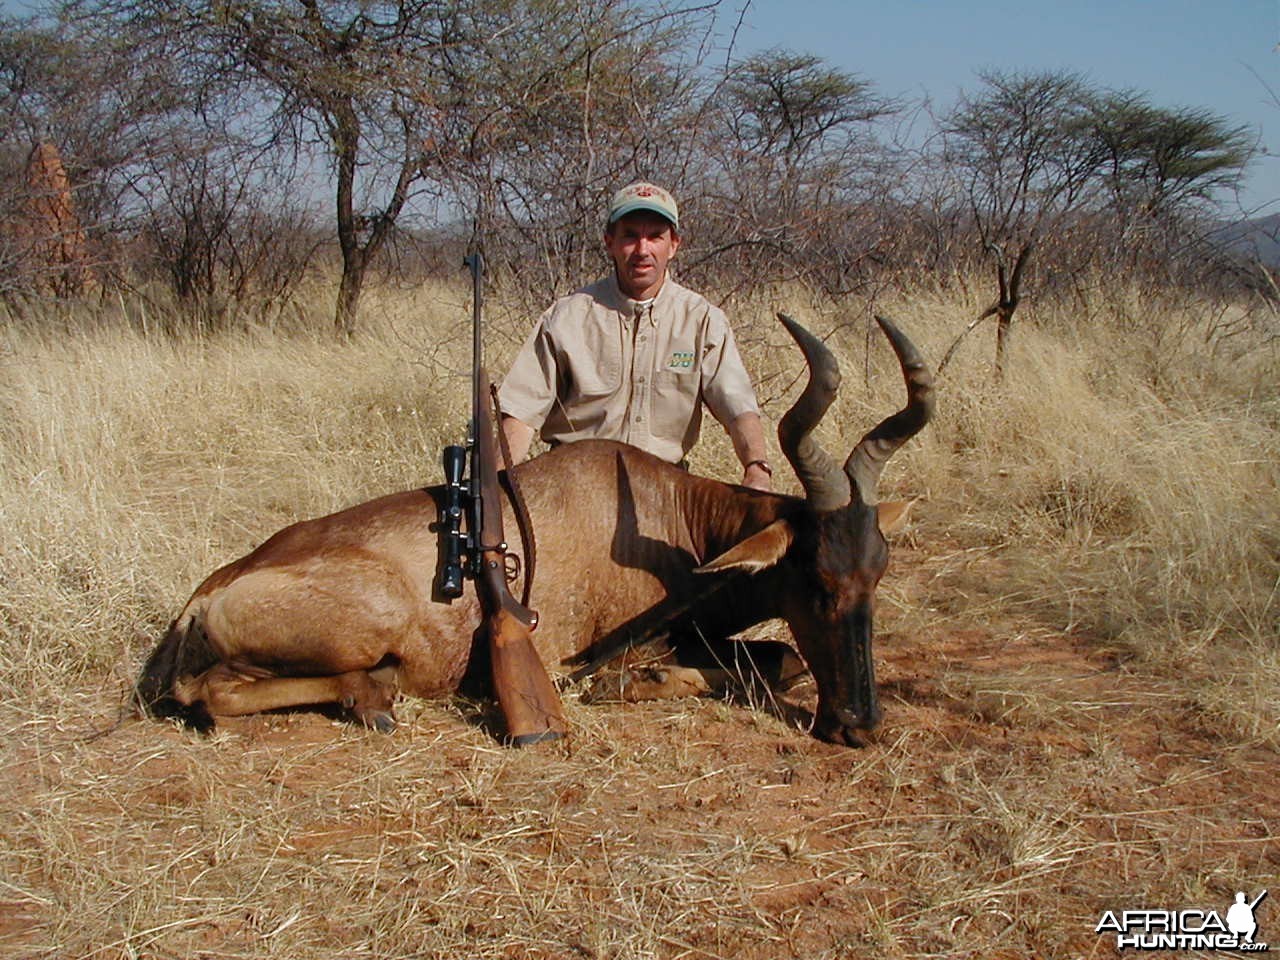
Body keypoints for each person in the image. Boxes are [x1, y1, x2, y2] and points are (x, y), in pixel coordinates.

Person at [497, 181, 773, 491]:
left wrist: (757, 469)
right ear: (610, 242)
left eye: (655, 236)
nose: (643, 250)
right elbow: (521, 415)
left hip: (664, 492)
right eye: (630, 236)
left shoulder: (703, 320)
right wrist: (492, 484)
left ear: (674, 245)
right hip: (574, 488)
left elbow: (738, 410)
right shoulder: (566, 317)